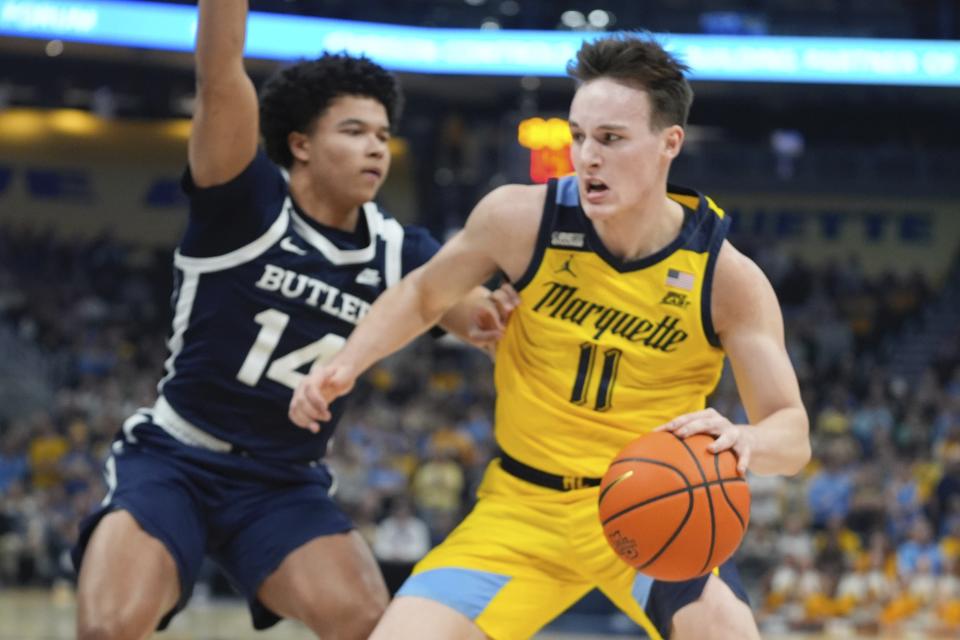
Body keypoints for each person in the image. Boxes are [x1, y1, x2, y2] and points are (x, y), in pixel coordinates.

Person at [290, 32, 811, 640]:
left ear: (670, 143)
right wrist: (346, 364)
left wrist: (744, 438)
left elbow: (792, 434)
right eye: (579, 136)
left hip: (655, 502)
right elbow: (423, 294)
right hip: (522, 508)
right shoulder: (520, 218)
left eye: (611, 139)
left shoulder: (725, 278)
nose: (588, 156)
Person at [70, 2, 517, 639]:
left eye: (383, 135)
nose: (375, 149)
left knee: (368, 622)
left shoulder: (400, 251)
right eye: (355, 131)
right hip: (177, 459)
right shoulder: (244, 203)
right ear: (301, 144)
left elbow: (483, 321)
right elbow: (221, 73)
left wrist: (502, 316)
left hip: (281, 483)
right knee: (109, 627)